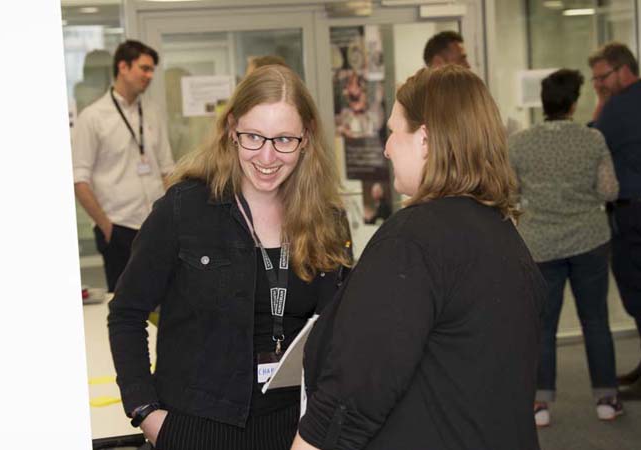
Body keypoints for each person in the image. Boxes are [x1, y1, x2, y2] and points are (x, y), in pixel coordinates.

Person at [291, 65, 546, 450]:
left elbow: (357, 389)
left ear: (424, 140)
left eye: (393, 132)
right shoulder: (502, 234)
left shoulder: (412, 240)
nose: (387, 147)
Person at [108, 65, 352, 450]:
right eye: (253, 137)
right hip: (198, 426)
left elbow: (337, 331)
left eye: (284, 139)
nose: (268, 156)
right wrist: (146, 413)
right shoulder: (184, 209)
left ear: (306, 139)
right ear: (231, 129)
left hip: (297, 429)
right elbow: (126, 312)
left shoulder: (327, 219)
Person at [509, 69, 621, 426]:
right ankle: (606, 398)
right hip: (589, 240)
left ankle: (540, 404)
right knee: (596, 321)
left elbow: (510, 194)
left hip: (541, 243)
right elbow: (609, 191)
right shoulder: (593, 139)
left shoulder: (520, 143)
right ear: (574, 104)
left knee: (542, 326)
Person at [72, 40, 174, 292]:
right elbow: (78, 179)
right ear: (123, 67)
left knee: (164, 298)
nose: (149, 76)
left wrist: (173, 218)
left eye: (152, 70)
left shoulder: (152, 113)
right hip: (118, 227)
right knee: (124, 306)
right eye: (144, 68)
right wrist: (106, 226)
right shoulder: (93, 117)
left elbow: (167, 170)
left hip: (154, 225)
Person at [589, 42, 641, 394]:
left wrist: (602, 104)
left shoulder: (620, 106)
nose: (598, 86)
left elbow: (591, 141)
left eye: (602, 78)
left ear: (624, 70)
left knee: (636, 289)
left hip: (632, 213)